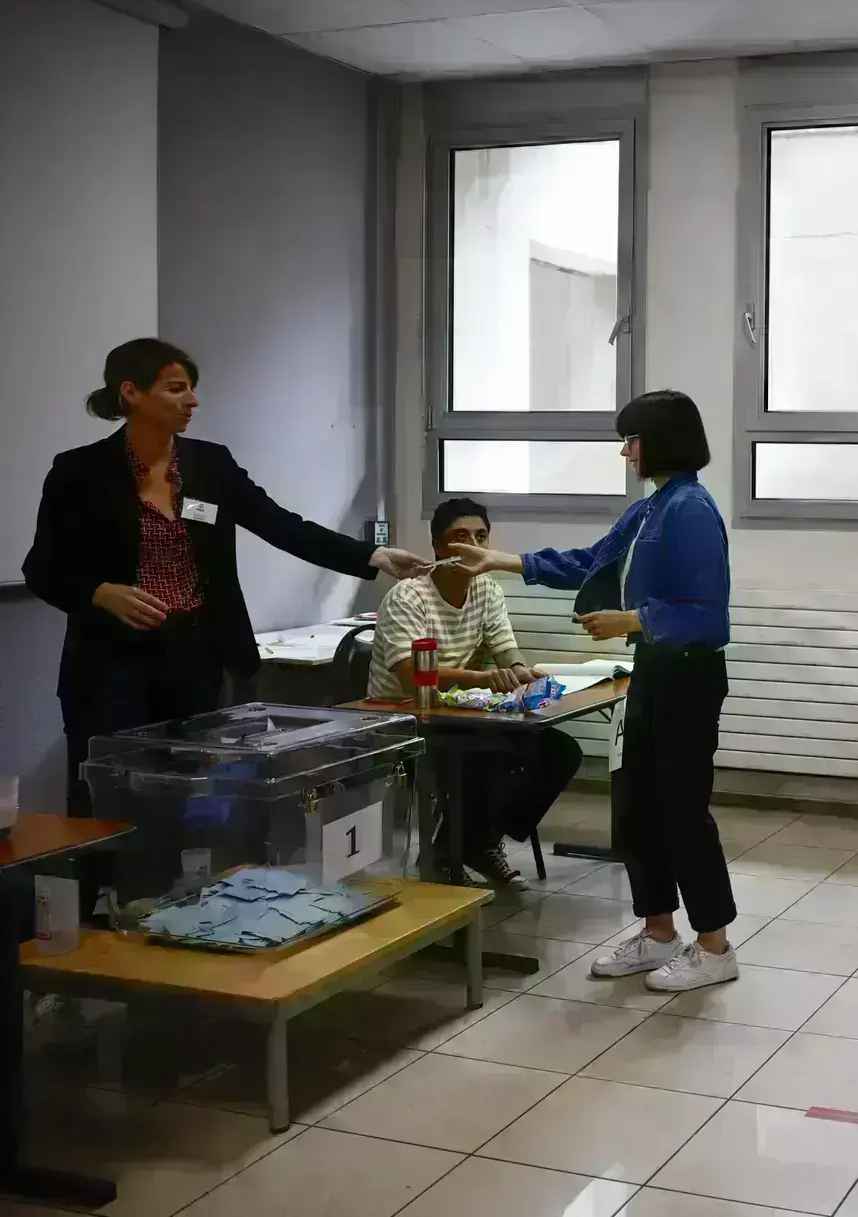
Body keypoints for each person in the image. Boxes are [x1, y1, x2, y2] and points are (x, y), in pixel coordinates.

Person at [24, 338, 428, 825]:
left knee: (188, 793)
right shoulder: (79, 471)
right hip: (111, 664)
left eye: (192, 389)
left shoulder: (210, 465)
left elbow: (280, 524)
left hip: (194, 655)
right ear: (131, 392)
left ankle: (177, 873)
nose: (192, 401)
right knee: (108, 795)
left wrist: (372, 555)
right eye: (176, 389)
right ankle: (102, 876)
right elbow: (42, 569)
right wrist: (99, 592)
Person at [452, 390, 738, 993]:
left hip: (689, 675)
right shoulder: (650, 508)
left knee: (682, 810)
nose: (625, 451)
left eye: (632, 439)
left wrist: (632, 620)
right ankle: (658, 932)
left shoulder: (691, 508)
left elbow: (707, 614)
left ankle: (714, 946)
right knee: (636, 806)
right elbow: (592, 563)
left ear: (660, 440)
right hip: (654, 669)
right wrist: (502, 560)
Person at [365, 498, 583, 891]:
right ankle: (452, 852)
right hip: (406, 720)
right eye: (460, 537)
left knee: (560, 751)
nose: (473, 546)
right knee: (491, 757)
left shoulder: (486, 589)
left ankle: (476, 844)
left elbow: (506, 650)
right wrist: (481, 677)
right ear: (438, 547)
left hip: (460, 715)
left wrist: (521, 671)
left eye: (481, 537)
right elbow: (413, 678)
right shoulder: (407, 596)